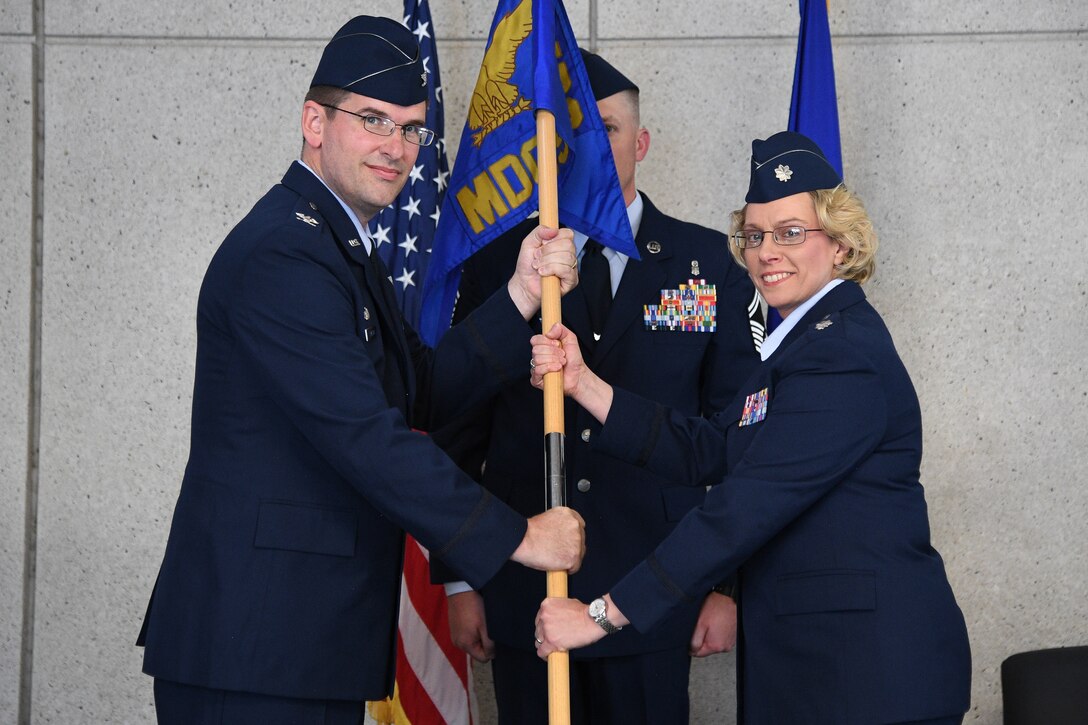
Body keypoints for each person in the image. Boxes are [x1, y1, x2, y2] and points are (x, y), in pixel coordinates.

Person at [136, 16, 587, 724]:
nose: (397, 147)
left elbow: (424, 391)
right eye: (374, 120)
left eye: (412, 129)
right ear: (315, 122)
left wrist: (522, 293)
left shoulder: (336, 244)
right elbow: (370, 439)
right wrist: (519, 536)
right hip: (257, 645)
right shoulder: (285, 255)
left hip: (302, 640)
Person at [530, 132, 972, 725]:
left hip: (865, 676)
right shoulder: (796, 348)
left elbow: (743, 505)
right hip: (821, 670)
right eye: (756, 235)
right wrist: (584, 383)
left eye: (791, 233)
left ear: (841, 246)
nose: (768, 252)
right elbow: (716, 449)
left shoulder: (839, 353)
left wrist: (601, 616)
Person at [430, 50, 762, 725]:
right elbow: (456, 423)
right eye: (571, 131)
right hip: (526, 594)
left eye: (605, 128)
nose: (589, 145)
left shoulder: (706, 265)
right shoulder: (504, 263)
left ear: (640, 142)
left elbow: (739, 441)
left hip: (657, 591)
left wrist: (727, 585)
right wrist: (462, 579)